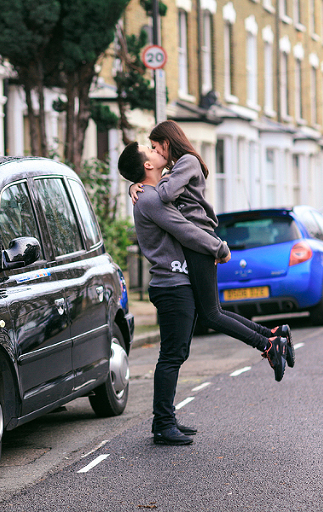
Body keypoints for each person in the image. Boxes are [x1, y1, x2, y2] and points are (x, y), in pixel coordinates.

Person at [130, 120, 292, 381]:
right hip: (198, 242)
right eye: (151, 149)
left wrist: (149, 185)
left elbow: (166, 195)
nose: (155, 151)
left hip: (200, 241)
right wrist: (136, 184)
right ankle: (272, 335)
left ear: (167, 142)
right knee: (212, 312)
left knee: (211, 315)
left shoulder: (187, 161)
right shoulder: (178, 167)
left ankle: (268, 345)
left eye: (155, 146)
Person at [118, 141, 233, 445]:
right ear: (147, 165)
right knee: (171, 355)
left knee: (176, 353)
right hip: (171, 285)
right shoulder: (151, 199)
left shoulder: (150, 193)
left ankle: (166, 419)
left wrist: (133, 185)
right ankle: (163, 425)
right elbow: (185, 230)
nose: (158, 152)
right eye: (151, 150)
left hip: (174, 282)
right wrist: (219, 248)